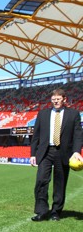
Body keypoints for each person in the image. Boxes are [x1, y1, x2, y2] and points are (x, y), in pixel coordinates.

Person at [30, 88, 82, 221]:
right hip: (45, 152)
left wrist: (76, 151)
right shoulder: (42, 114)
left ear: (64, 100)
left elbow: (78, 135)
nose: (56, 102)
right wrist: (33, 154)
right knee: (41, 181)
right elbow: (35, 135)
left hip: (64, 153)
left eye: (58, 99)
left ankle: (55, 212)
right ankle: (41, 211)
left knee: (60, 183)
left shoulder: (74, 114)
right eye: (53, 100)